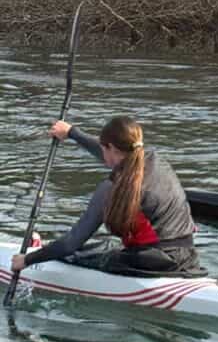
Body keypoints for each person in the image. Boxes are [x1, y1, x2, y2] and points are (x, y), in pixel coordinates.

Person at [10, 117, 201, 277]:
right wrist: (72, 133)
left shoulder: (110, 189)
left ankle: (40, 251)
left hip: (155, 262)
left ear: (111, 148)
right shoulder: (156, 160)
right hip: (188, 257)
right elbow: (115, 157)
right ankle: (45, 249)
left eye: (103, 149)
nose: (102, 154)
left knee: (80, 253)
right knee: (104, 245)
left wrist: (27, 260)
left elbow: (71, 243)